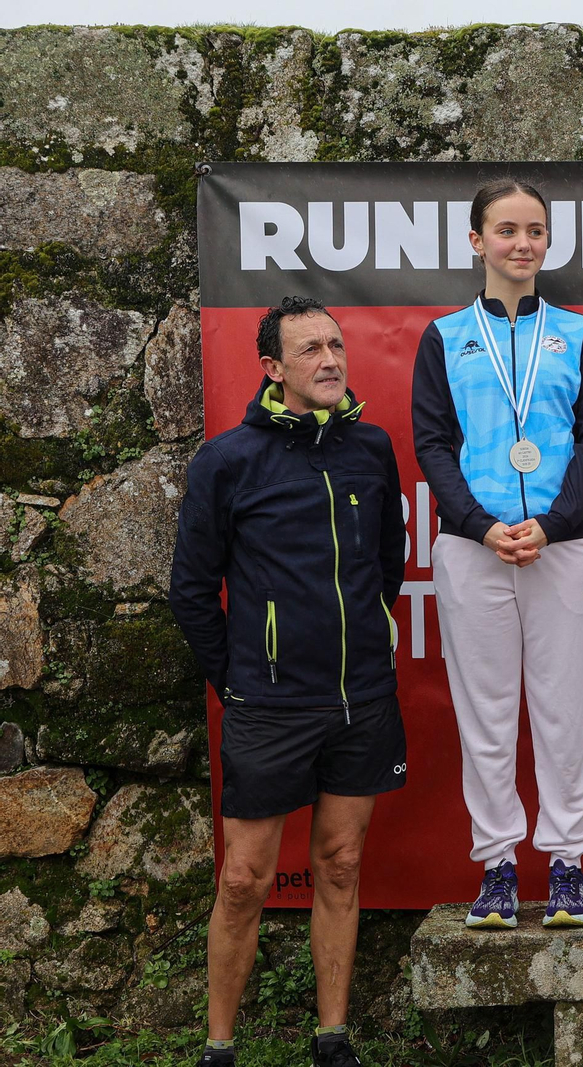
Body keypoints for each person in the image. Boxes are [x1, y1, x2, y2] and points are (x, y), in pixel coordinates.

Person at [170, 296, 407, 1067]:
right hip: (267, 704)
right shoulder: (227, 460)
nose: (330, 359)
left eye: (336, 344)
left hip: (361, 698)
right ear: (273, 367)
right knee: (244, 879)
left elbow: (388, 563)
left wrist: (365, 642)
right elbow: (191, 589)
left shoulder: (371, 448)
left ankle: (332, 1038)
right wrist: (239, 678)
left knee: (340, 863)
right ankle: (219, 1047)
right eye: (310, 349)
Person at [412, 178, 583, 930]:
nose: (522, 243)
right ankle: (497, 864)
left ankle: (566, 863)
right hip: (475, 548)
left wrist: (554, 524)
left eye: (535, 230)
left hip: (564, 546)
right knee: (486, 713)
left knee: (565, 712)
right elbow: (433, 441)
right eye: (506, 230)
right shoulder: (444, 336)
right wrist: (477, 523)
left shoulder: (580, 333)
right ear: (477, 241)